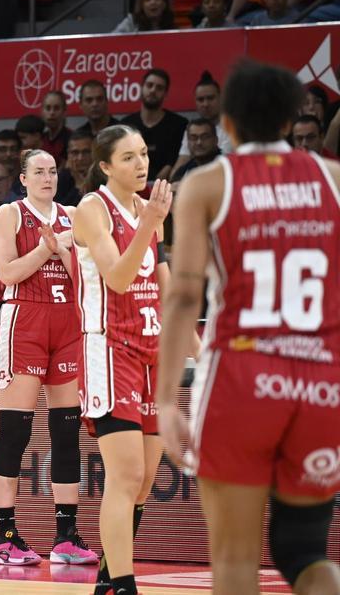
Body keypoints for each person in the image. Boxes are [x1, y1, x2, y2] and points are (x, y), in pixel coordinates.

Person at [157, 61, 340, 595]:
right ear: (291, 120)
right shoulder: (332, 180)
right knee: (305, 551)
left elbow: (185, 294)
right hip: (321, 382)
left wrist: (167, 400)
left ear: (227, 124)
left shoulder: (207, 183)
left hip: (242, 379)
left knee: (235, 562)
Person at [72, 125, 172, 595]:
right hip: (109, 348)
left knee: (147, 479)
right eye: (128, 157)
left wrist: (201, 348)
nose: (141, 164)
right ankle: (125, 585)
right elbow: (117, 277)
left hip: (151, 350)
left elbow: (165, 291)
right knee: (126, 473)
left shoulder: (148, 210)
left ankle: (108, 578)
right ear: (106, 166)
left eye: (145, 154)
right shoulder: (93, 208)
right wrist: (150, 223)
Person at [0, 149, 95, 566]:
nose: (47, 177)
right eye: (39, 171)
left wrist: (64, 250)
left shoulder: (72, 214)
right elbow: (7, 274)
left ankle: (66, 536)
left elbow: (83, 277)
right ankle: (6, 536)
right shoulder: (10, 213)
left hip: (67, 323)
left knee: (67, 433)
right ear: (23, 178)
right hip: (25, 322)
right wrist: (47, 248)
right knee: (15, 430)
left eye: (52, 171)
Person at [121, 69, 188, 181]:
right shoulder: (126, 125)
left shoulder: (179, 124)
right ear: (141, 88)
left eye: (159, 88)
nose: (153, 90)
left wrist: (169, 167)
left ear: (165, 94)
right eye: (149, 85)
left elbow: (182, 158)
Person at [170, 119, 221, 185]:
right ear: (187, 143)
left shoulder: (227, 167)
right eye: (193, 138)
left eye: (205, 137)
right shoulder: (183, 171)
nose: (199, 142)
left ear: (216, 140)